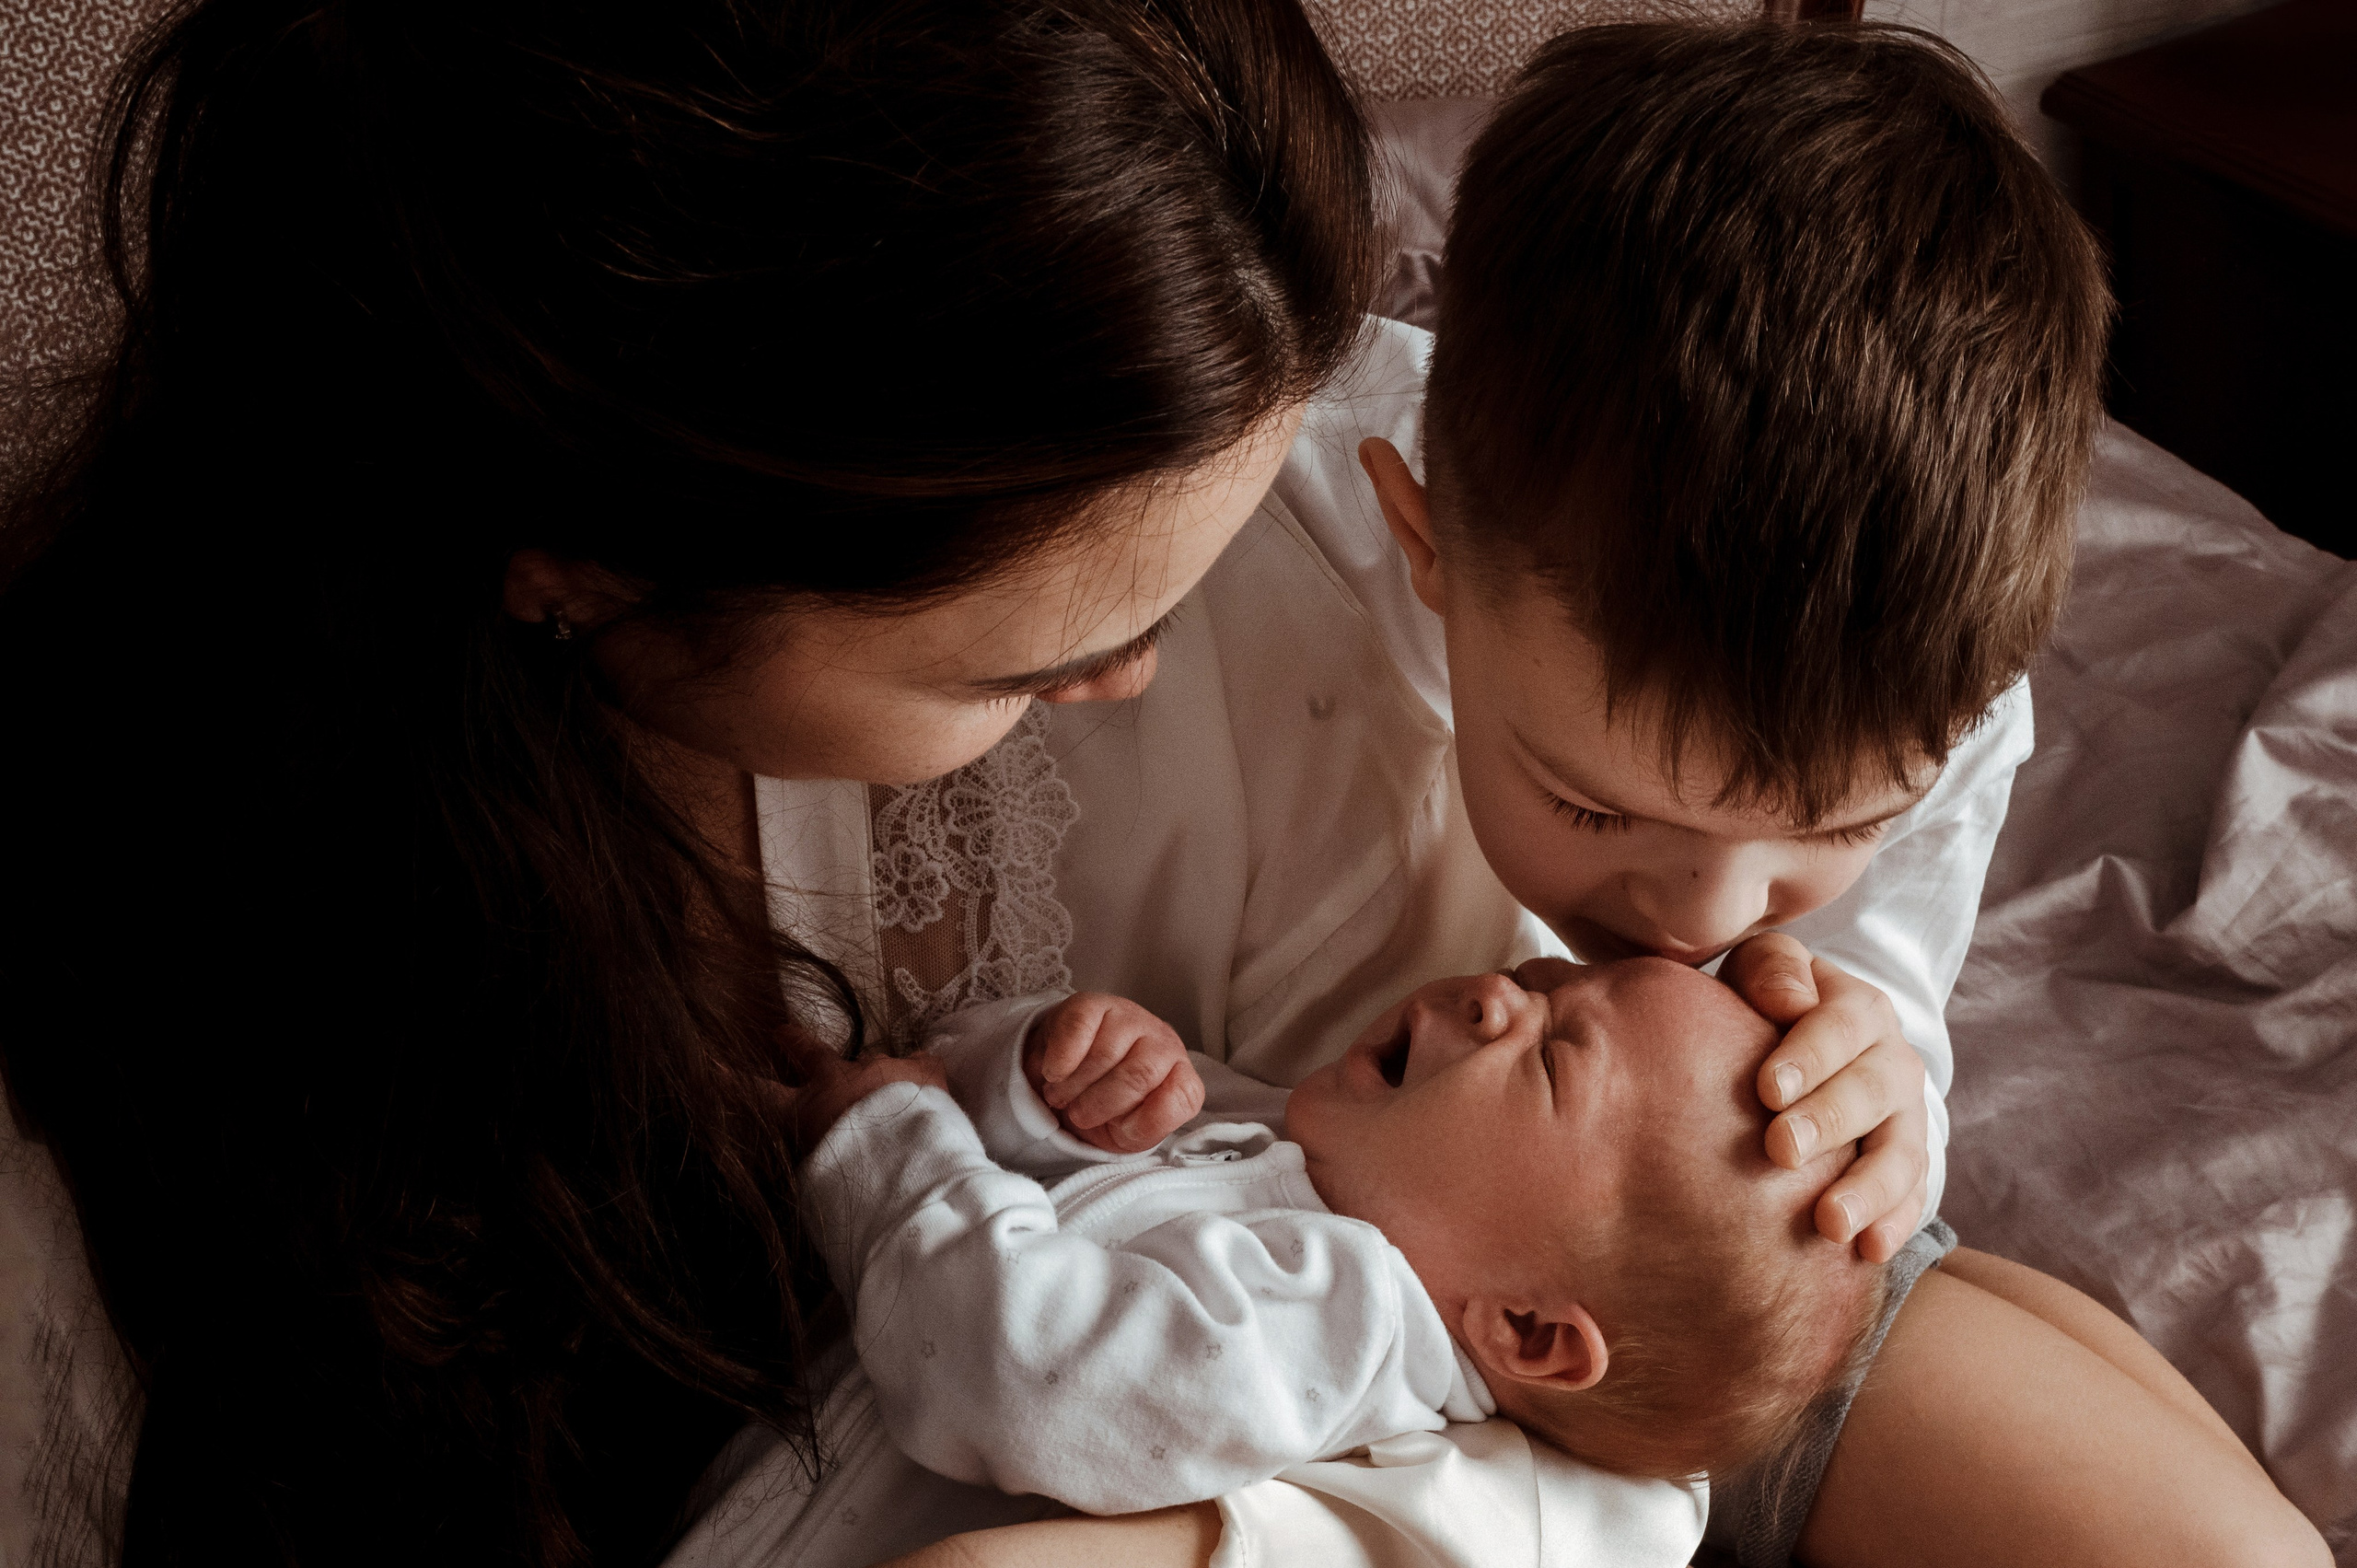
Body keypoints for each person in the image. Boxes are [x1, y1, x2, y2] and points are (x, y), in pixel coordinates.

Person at [808, 19, 2326, 1568]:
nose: (1706, 921)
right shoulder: (1198, 580)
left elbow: (1879, 972)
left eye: (1831, 828)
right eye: (1597, 808)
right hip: (1258, 1320)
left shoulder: (1911, 672)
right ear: (1427, 545)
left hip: (1641, 1290)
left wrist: (1874, 1055)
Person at [0, 0, 1383, 1562]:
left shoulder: (1270, 504)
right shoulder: (92, 1163)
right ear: (587, 567)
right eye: (1017, 670)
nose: (1134, 682)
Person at [802, 958, 1885, 1516]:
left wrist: (895, 1143)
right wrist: (1055, 1085)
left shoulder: (1333, 1327)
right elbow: (1021, 1184)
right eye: (1547, 981)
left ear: (1524, 1325)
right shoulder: (1301, 1144)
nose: (1498, 995)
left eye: (1553, 1057)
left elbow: (1016, 1369)